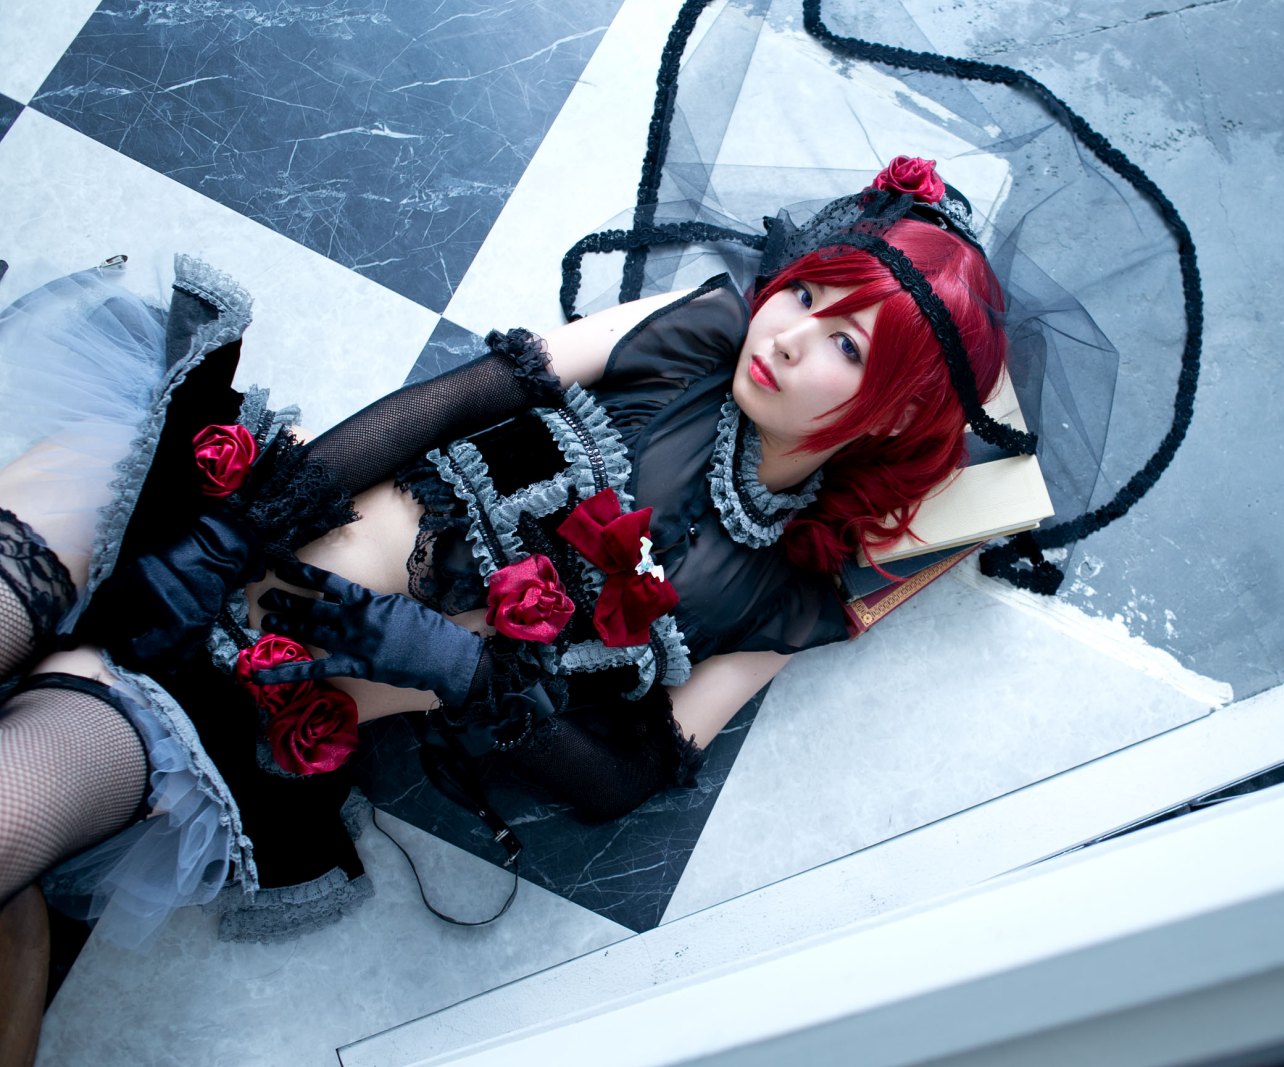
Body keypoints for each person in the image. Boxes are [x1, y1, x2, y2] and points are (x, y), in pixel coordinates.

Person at [0, 158, 1012, 965]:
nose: (789, 337)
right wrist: (226, 536)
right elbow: (461, 397)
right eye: (806, 294)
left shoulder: (785, 600)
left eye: (846, 345)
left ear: (896, 415)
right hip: (205, 521)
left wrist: (457, 668)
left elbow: (627, 776)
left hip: (236, 705)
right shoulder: (703, 333)